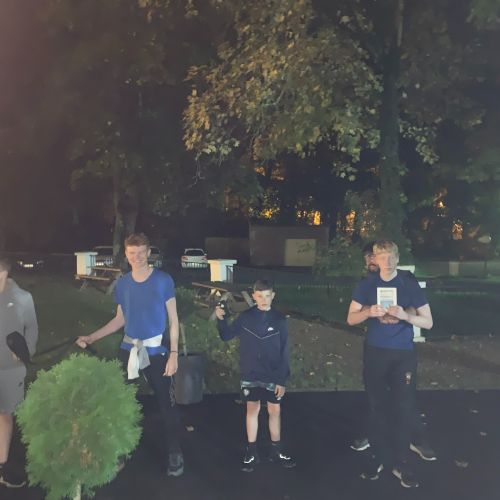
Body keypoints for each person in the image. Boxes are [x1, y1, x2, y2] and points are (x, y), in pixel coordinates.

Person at [76, 233, 184, 477]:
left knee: (166, 403)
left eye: (141, 252)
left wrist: (174, 353)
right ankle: (121, 450)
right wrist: (91, 337)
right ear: (126, 254)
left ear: (149, 253)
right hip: (129, 350)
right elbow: (120, 319)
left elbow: (174, 319)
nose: (137, 257)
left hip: (157, 352)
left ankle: (175, 452)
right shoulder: (123, 283)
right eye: (132, 253)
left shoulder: (163, 281)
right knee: (121, 403)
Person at [347, 240, 433, 488]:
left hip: (402, 355)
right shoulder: (366, 285)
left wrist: (405, 315)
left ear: (397, 257)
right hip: (375, 353)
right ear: (375, 259)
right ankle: (378, 456)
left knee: (403, 408)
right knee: (377, 407)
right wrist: (368, 312)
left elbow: (428, 322)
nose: (387, 261)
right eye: (382, 257)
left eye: (391, 256)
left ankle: (401, 462)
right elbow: (350, 318)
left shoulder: (408, 284)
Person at [215, 280, 296, 472]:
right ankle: (252, 452)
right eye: (260, 296)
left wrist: (281, 379)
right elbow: (226, 335)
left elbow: (284, 351)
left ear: (273, 296)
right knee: (252, 410)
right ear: (254, 297)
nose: (264, 299)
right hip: (250, 373)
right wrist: (220, 319)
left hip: (272, 374)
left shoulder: (279, 320)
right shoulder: (246, 318)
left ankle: (276, 450)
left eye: (267, 295)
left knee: (274, 411)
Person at [0, 254, 38, 489]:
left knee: (5, 414)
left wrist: (26, 352)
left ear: (5, 274)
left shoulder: (22, 298)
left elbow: (31, 328)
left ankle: (2, 465)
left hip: (9, 370)